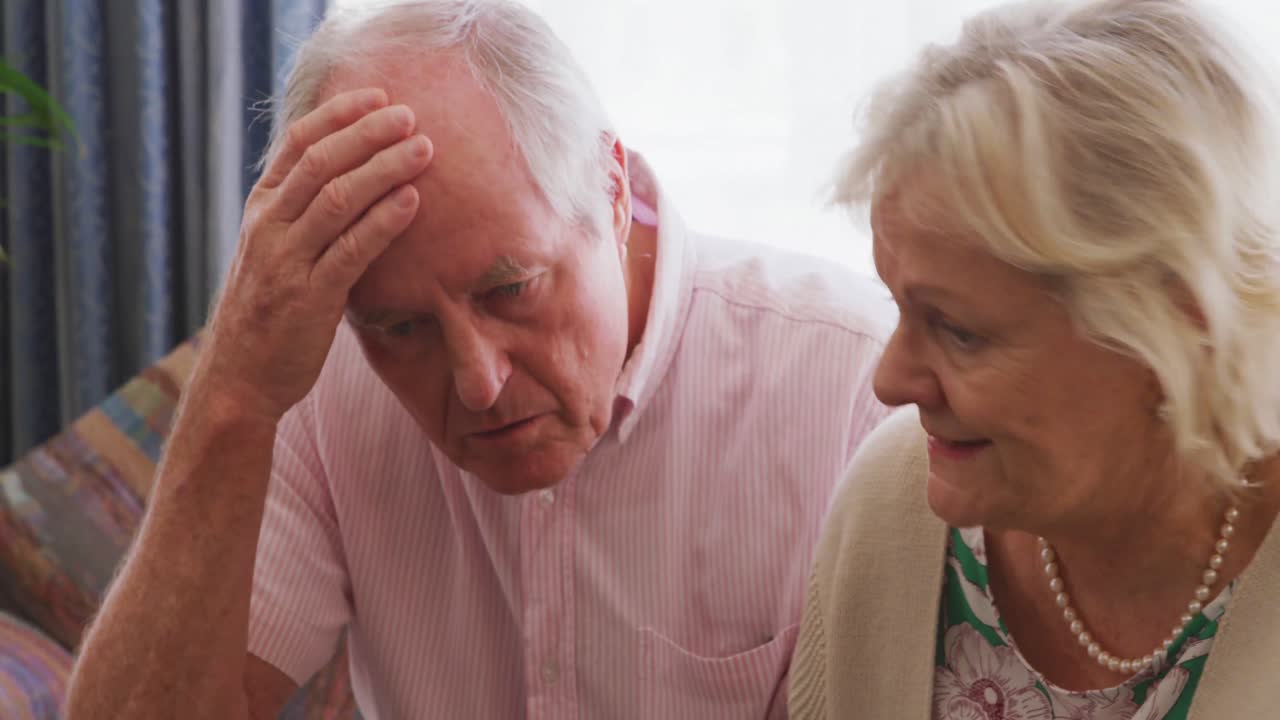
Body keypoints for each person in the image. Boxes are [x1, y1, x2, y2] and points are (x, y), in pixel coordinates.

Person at [64, 1, 890, 718]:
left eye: (512, 289)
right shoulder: (317, 381)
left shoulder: (857, 387)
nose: (478, 382)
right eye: (402, 329)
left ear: (610, 188)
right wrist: (233, 397)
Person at [789, 0, 1280, 718]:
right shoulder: (893, 501)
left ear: (1177, 325)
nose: (890, 380)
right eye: (898, 305)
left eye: (957, 330)